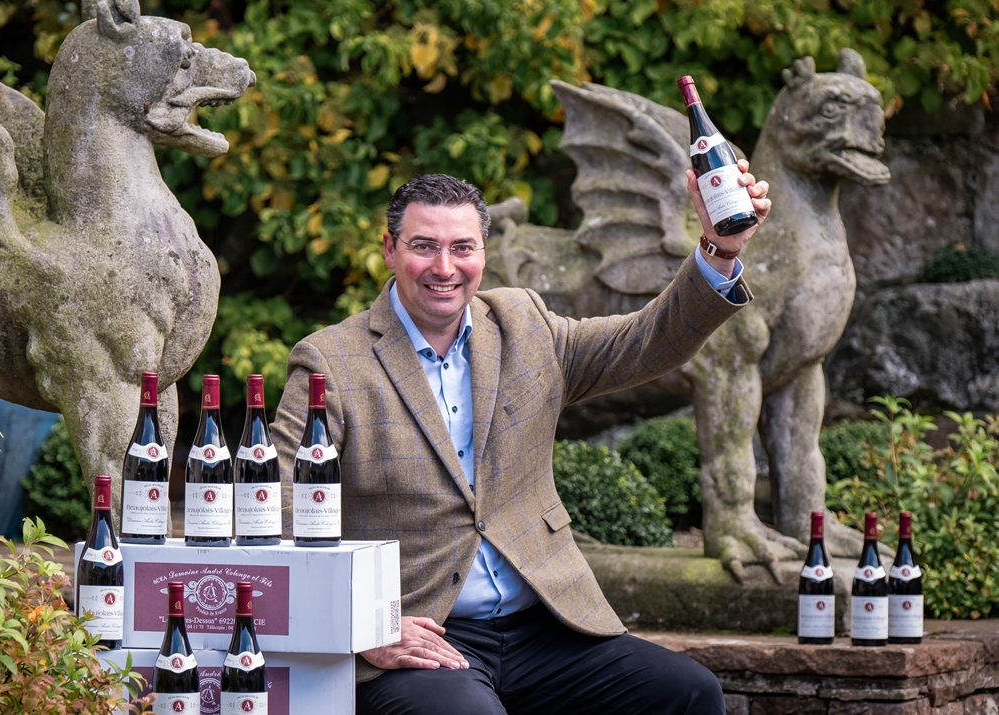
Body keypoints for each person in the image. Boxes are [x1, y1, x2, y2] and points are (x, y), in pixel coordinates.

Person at [271, 166, 770, 715]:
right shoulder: (331, 362)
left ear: (483, 251)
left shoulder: (524, 324)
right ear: (390, 249)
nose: (445, 267)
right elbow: (274, 512)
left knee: (689, 693)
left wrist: (718, 251)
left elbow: (649, 342)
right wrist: (359, 629)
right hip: (422, 637)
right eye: (424, 246)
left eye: (462, 247)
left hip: (547, 627)